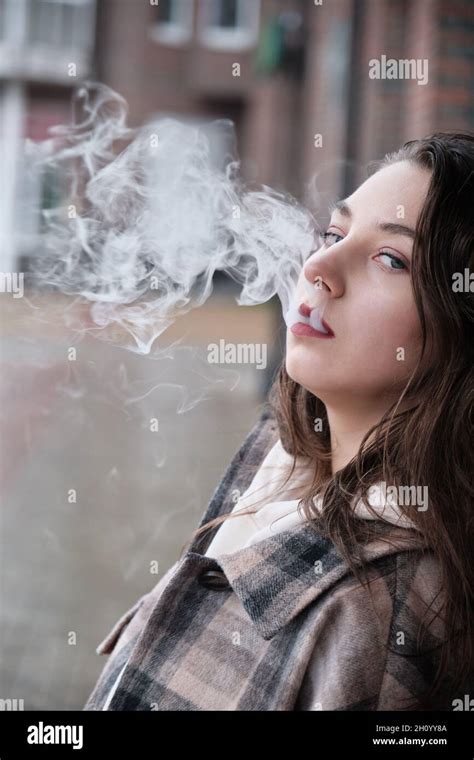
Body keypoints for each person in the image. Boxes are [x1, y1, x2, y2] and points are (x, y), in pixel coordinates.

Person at [84, 132, 474, 711]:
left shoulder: (379, 614)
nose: (319, 266)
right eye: (334, 235)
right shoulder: (276, 460)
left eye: (391, 260)